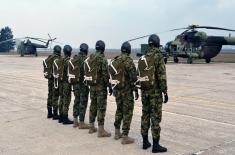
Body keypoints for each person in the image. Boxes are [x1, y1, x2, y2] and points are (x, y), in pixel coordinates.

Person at [138, 34, 168, 153]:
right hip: (155, 93)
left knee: (145, 115)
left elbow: (139, 75)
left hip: (144, 92)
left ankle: (145, 142)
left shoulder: (143, 57)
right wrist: (164, 91)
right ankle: (156, 145)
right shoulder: (158, 56)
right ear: (157, 43)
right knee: (155, 117)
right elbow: (161, 76)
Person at [110, 42, 139, 144]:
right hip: (126, 92)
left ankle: (117, 133)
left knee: (119, 111)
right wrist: (135, 90)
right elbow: (134, 78)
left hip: (117, 91)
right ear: (129, 50)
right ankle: (125, 136)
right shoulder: (128, 61)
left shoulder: (115, 60)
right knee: (127, 113)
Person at [84, 40, 112, 137]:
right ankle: (101, 130)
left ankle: (91, 127)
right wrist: (109, 86)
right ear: (103, 48)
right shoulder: (102, 59)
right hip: (100, 88)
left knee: (93, 106)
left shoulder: (90, 57)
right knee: (101, 108)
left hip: (92, 86)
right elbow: (105, 75)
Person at [72, 43, 90, 129]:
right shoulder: (85, 60)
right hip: (83, 85)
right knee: (83, 102)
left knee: (76, 101)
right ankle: (82, 123)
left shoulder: (74, 58)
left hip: (75, 84)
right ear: (86, 50)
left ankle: (75, 121)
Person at [43, 45, 61, 119]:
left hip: (50, 79)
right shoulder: (57, 58)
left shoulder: (49, 57)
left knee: (50, 95)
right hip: (55, 80)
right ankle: (55, 114)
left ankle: (49, 113)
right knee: (55, 96)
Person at [59, 45, 73, 125]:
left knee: (61, 99)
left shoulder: (61, 60)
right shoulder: (68, 61)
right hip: (66, 84)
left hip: (60, 83)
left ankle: (60, 117)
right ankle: (65, 118)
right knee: (66, 101)